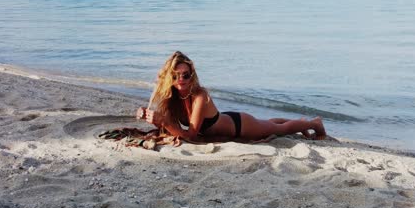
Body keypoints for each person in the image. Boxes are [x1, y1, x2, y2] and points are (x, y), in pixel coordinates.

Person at [136, 51, 326, 142]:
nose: (181, 80)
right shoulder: (173, 97)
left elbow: (191, 135)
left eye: (186, 75)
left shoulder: (200, 95)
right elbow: (172, 126)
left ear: (191, 75)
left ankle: (314, 123)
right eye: (176, 76)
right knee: (270, 123)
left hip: (240, 127)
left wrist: (164, 122)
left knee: (279, 129)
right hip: (226, 119)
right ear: (170, 77)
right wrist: (151, 117)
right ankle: (302, 122)